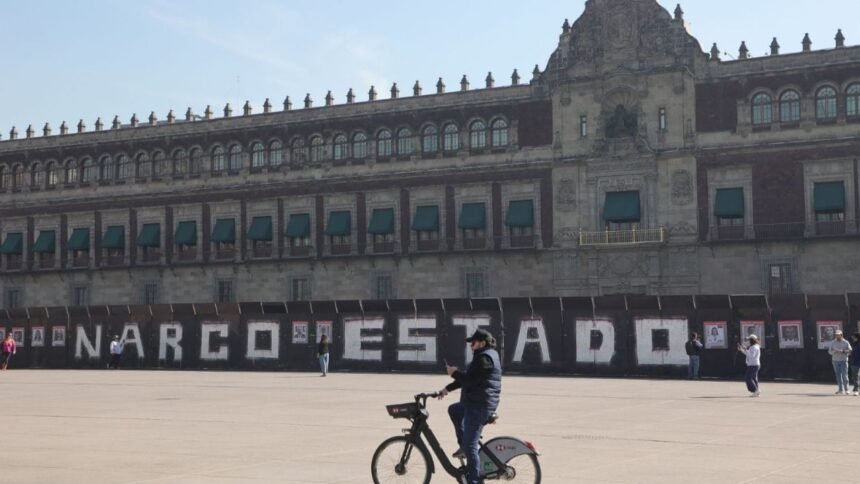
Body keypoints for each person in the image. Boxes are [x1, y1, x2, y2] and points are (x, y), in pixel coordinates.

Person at [438, 329, 502, 484]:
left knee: (471, 447)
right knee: (454, 410)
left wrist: (454, 373)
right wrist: (447, 389)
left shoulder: (484, 359)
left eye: (473, 343)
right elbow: (468, 378)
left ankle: (474, 480)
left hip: (479, 406)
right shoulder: (484, 356)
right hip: (477, 403)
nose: (471, 346)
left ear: (482, 343)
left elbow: (470, 381)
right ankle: (464, 447)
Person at [828, 330, 852, 395]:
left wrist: (843, 351)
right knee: (838, 375)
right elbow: (829, 352)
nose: (837, 336)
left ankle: (847, 390)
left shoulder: (846, 342)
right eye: (836, 335)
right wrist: (834, 351)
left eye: (838, 335)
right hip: (835, 361)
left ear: (841, 335)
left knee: (844, 375)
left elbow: (850, 350)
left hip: (843, 361)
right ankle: (840, 390)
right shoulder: (832, 342)